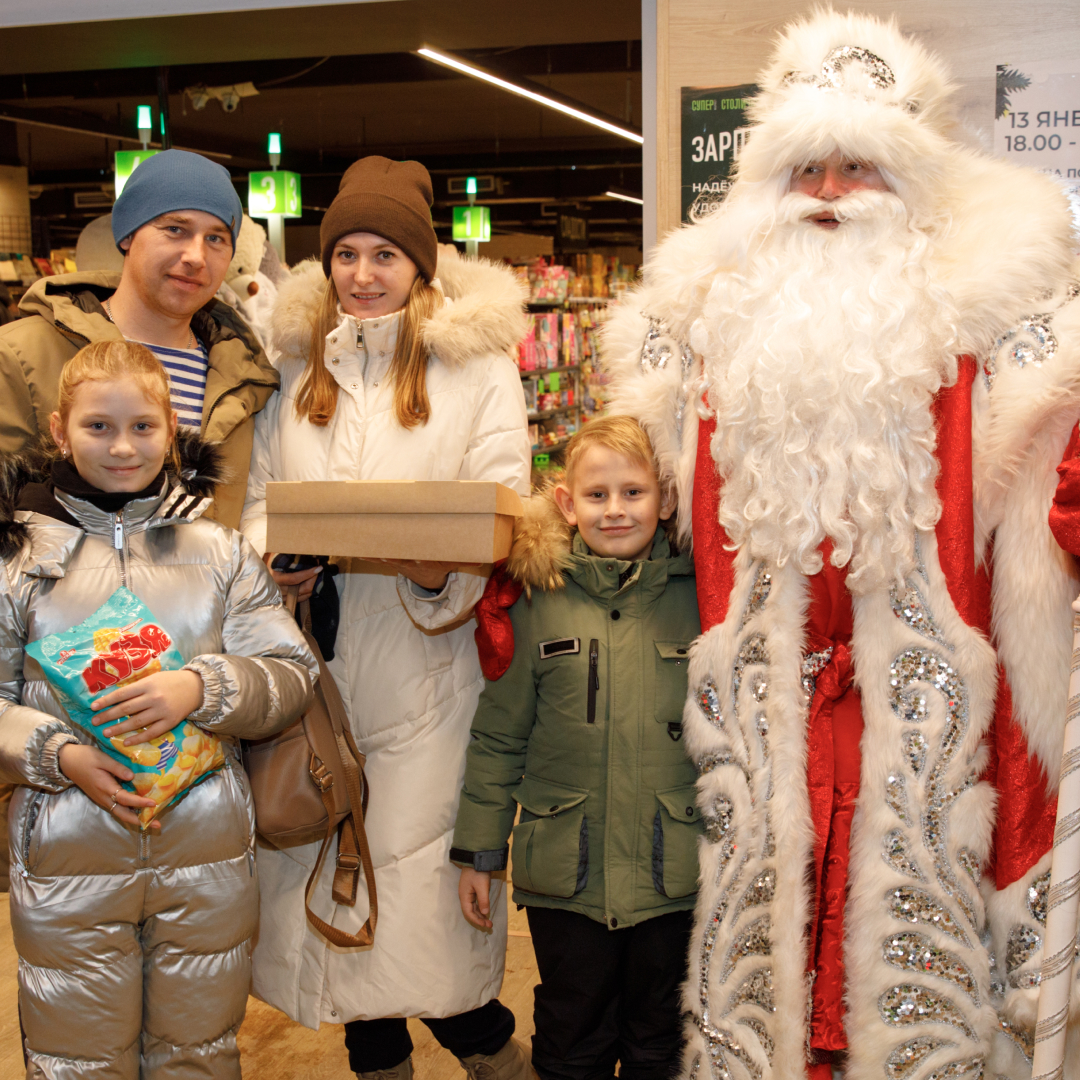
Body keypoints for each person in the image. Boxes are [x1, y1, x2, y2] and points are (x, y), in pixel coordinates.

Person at [603, 10, 1080, 1080]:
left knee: (924, 993)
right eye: (804, 168)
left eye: (858, 168)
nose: (825, 193)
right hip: (769, 730)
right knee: (767, 976)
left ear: (915, 188)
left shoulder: (1007, 344)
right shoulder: (699, 346)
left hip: (935, 728)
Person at [240, 155, 533, 1080]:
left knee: (422, 927)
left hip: (428, 682)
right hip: (314, 678)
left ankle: (499, 1058)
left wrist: (434, 571)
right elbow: (259, 501)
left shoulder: (477, 367)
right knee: (345, 915)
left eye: (386, 255)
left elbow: (506, 506)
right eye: (347, 254)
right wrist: (275, 566)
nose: (364, 275)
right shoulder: (294, 371)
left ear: (422, 264)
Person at [0, 340, 317, 1079]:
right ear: (58, 431)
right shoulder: (17, 560)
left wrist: (203, 687)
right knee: (78, 1058)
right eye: (98, 427)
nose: (122, 446)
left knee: (198, 1054)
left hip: (206, 858)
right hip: (65, 857)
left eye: (143, 426)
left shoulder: (219, 551)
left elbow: (290, 673)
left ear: (171, 427)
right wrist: (60, 755)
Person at [453, 415, 702, 1080]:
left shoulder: (702, 600)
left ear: (667, 499)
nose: (615, 510)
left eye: (633, 492)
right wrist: (480, 852)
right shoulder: (538, 598)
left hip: (671, 872)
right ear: (566, 501)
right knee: (571, 1034)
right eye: (597, 495)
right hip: (567, 874)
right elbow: (500, 735)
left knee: (663, 1038)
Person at [0, 149, 278, 530]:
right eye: (175, 229)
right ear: (128, 234)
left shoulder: (246, 377)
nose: (196, 256)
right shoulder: (22, 354)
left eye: (216, 237)